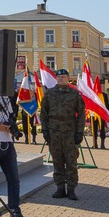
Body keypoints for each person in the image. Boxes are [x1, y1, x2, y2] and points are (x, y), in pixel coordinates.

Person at [39, 69, 86, 201]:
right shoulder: (49, 94)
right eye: (58, 77)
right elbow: (44, 114)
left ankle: (71, 189)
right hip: (54, 132)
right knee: (57, 161)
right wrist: (45, 131)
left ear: (68, 78)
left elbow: (81, 114)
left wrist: (79, 132)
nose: (61, 79)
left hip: (69, 132)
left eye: (63, 77)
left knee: (71, 161)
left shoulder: (75, 94)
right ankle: (60, 188)